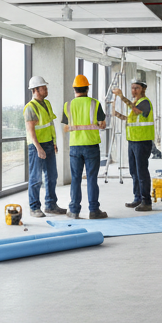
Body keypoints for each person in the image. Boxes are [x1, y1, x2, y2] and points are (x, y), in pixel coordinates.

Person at [61, 74, 108, 221]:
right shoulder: (95, 103)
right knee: (92, 179)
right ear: (87, 88)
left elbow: (66, 127)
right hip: (91, 145)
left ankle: (74, 210)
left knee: (75, 179)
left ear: (74, 89)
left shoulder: (67, 105)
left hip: (75, 146)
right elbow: (102, 123)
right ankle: (94, 211)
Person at [23, 75, 65, 217]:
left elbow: (50, 125)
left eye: (46, 87)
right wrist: (38, 148)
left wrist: (53, 143)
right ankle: (34, 207)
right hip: (37, 146)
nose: (46, 90)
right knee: (36, 178)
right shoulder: (30, 107)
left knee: (52, 176)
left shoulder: (46, 104)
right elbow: (31, 130)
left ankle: (51, 205)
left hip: (48, 144)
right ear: (35, 90)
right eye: (43, 88)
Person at [112, 80, 155, 212]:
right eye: (132, 88)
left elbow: (136, 112)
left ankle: (146, 201)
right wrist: (117, 114)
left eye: (136, 88)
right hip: (132, 141)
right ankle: (138, 198)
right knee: (134, 171)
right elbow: (131, 118)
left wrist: (122, 96)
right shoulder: (135, 103)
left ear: (143, 89)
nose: (134, 90)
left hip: (142, 141)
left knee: (141, 171)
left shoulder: (145, 102)